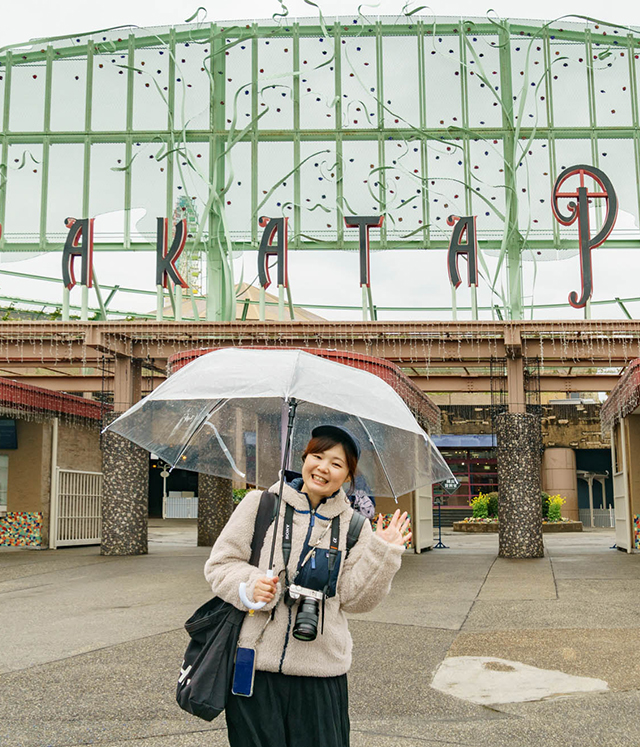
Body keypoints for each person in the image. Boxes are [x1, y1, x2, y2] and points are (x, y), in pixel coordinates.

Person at [204, 424, 410, 747]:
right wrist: (250, 587)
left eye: (336, 463)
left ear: (348, 476)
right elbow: (219, 565)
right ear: (304, 457)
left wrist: (383, 554)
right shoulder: (261, 505)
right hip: (255, 667)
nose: (323, 468)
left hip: (321, 674)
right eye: (317, 456)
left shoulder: (355, 527)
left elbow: (356, 599)